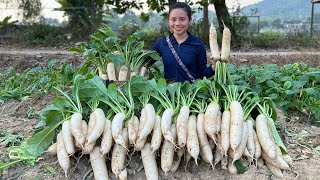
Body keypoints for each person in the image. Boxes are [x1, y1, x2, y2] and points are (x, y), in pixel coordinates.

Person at [152, 2, 215, 83]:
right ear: (168, 20)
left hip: (190, 93)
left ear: (190, 20)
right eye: (173, 19)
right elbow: (146, 62)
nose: (177, 23)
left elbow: (202, 74)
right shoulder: (161, 43)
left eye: (182, 19)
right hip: (168, 93)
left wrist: (213, 67)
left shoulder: (197, 44)